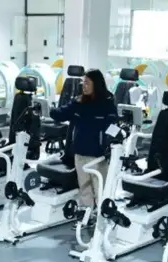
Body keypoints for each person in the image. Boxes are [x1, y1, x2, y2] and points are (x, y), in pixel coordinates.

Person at [49, 69, 118, 209]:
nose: (83, 86)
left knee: (100, 189)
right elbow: (60, 114)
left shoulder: (107, 104)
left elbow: (114, 126)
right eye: (83, 83)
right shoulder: (79, 102)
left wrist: (111, 143)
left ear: (96, 84)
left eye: (87, 83)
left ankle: (101, 220)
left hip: (98, 156)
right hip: (80, 152)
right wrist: (49, 108)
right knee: (84, 188)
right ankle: (87, 216)